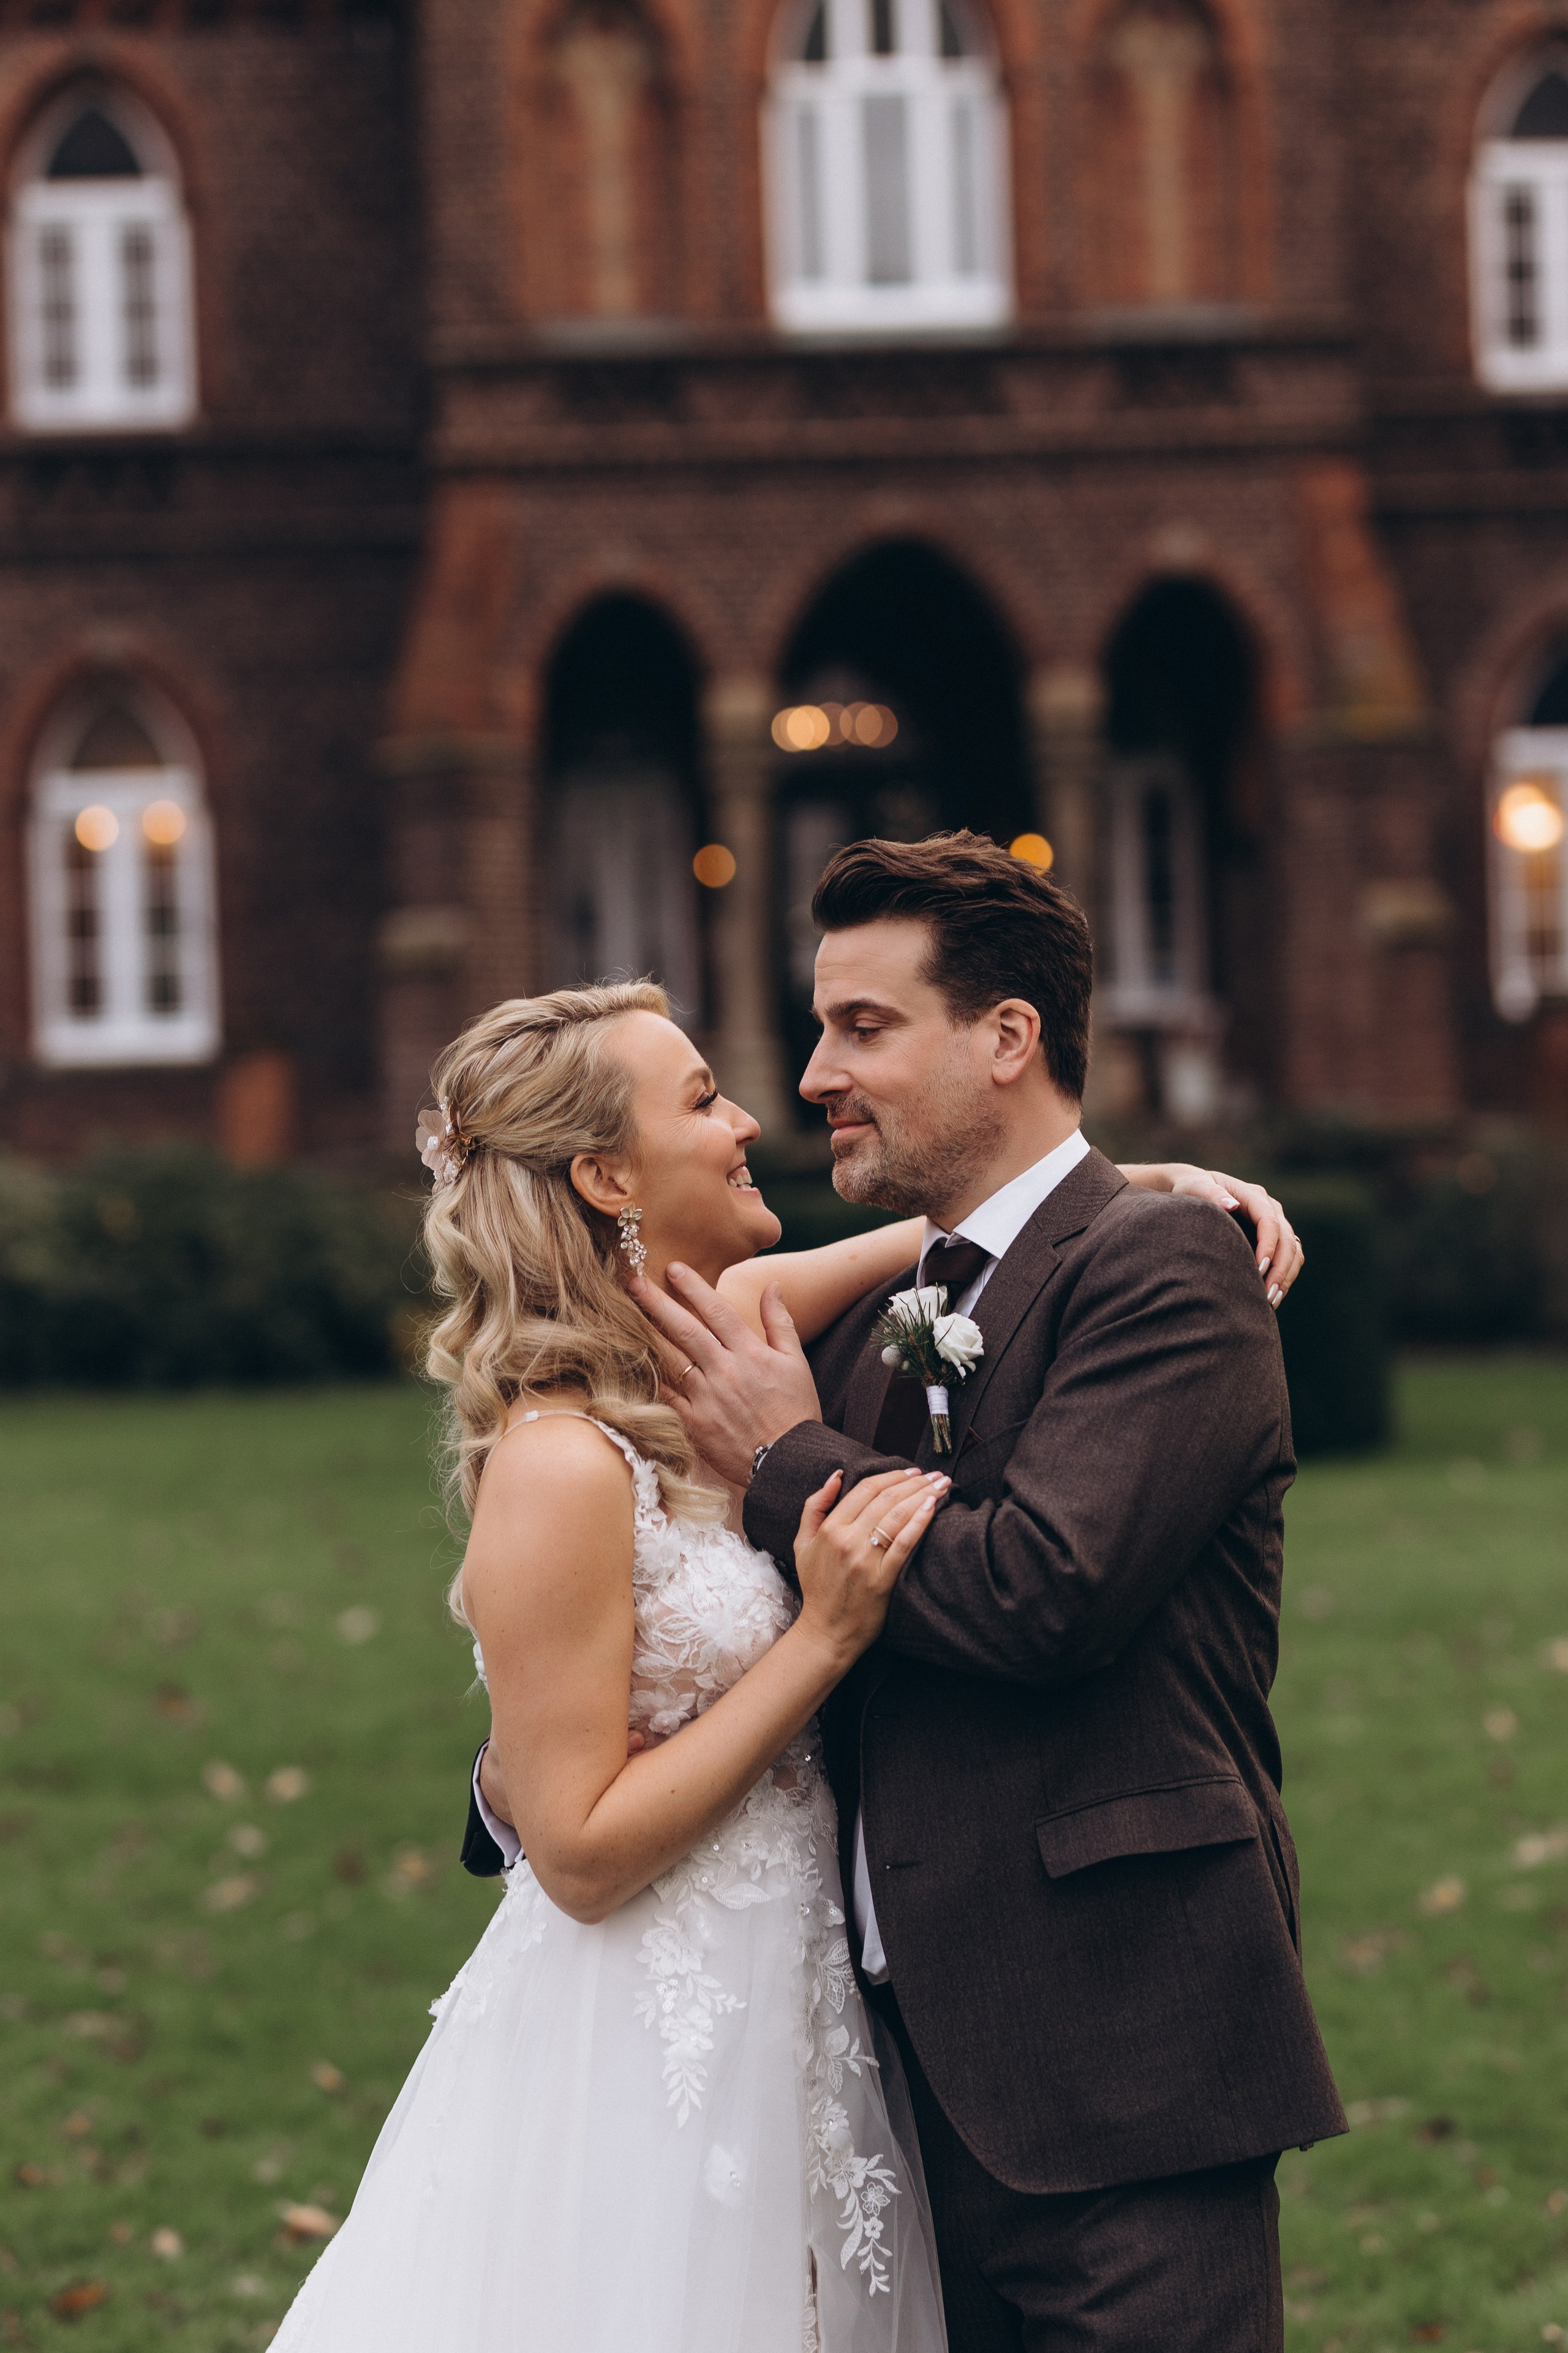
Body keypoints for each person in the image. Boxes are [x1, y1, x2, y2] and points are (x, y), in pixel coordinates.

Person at [275, 963, 1303, 2352]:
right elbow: (575, 1852)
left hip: (826, 2023)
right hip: (653, 2035)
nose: (754, 1114)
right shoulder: (561, 1460)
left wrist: (1154, 1184)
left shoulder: (736, 1326)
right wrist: (819, 1636)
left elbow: (973, 1245)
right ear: (604, 1174)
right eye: (701, 1097)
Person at [627, 832, 1347, 2353]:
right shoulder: (886, 1316)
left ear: (1006, 1036)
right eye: (821, 1025)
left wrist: (779, 1453)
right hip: (902, 2092)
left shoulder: (1163, 1270)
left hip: (1124, 2060)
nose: (817, 1071)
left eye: (864, 1027)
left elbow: (1040, 1591)